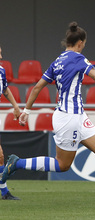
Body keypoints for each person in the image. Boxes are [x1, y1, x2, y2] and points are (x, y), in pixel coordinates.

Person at [1, 22, 95, 208]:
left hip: (77, 116)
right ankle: (17, 164)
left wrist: (26, 110)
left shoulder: (56, 61)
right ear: (81, 43)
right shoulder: (79, 59)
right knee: (62, 165)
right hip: (69, 117)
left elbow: (37, 87)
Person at [0, 46, 21, 200]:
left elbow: (5, 90)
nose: (1, 56)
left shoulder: (1, 71)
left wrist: (15, 106)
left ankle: (4, 192)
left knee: (0, 157)